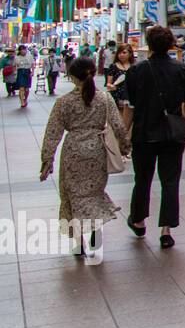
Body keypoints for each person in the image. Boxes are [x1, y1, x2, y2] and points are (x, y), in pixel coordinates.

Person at [39, 57, 131, 257]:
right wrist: (125, 147)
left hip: (72, 152)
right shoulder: (105, 98)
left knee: (73, 197)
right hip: (97, 152)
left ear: (72, 77)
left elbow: (52, 133)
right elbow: (118, 125)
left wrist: (47, 160)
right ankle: (96, 232)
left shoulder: (63, 102)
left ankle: (79, 242)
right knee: (93, 194)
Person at [122, 26, 185, 249]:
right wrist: (181, 120)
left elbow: (130, 107)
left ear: (149, 44)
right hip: (172, 135)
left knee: (143, 179)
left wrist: (123, 135)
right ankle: (166, 231)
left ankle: (138, 220)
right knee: (170, 181)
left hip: (144, 133)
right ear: (170, 44)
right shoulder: (183, 69)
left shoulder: (136, 71)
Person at [104, 44, 135, 119]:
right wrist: (111, 86)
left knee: (128, 120)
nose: (121, 55)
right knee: (117, 119)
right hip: (116, 96)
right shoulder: (113, 66)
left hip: (130, 97)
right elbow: (108, 83)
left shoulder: (134, 67)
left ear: (130, 54)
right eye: (119, 53)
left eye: (124, 53)